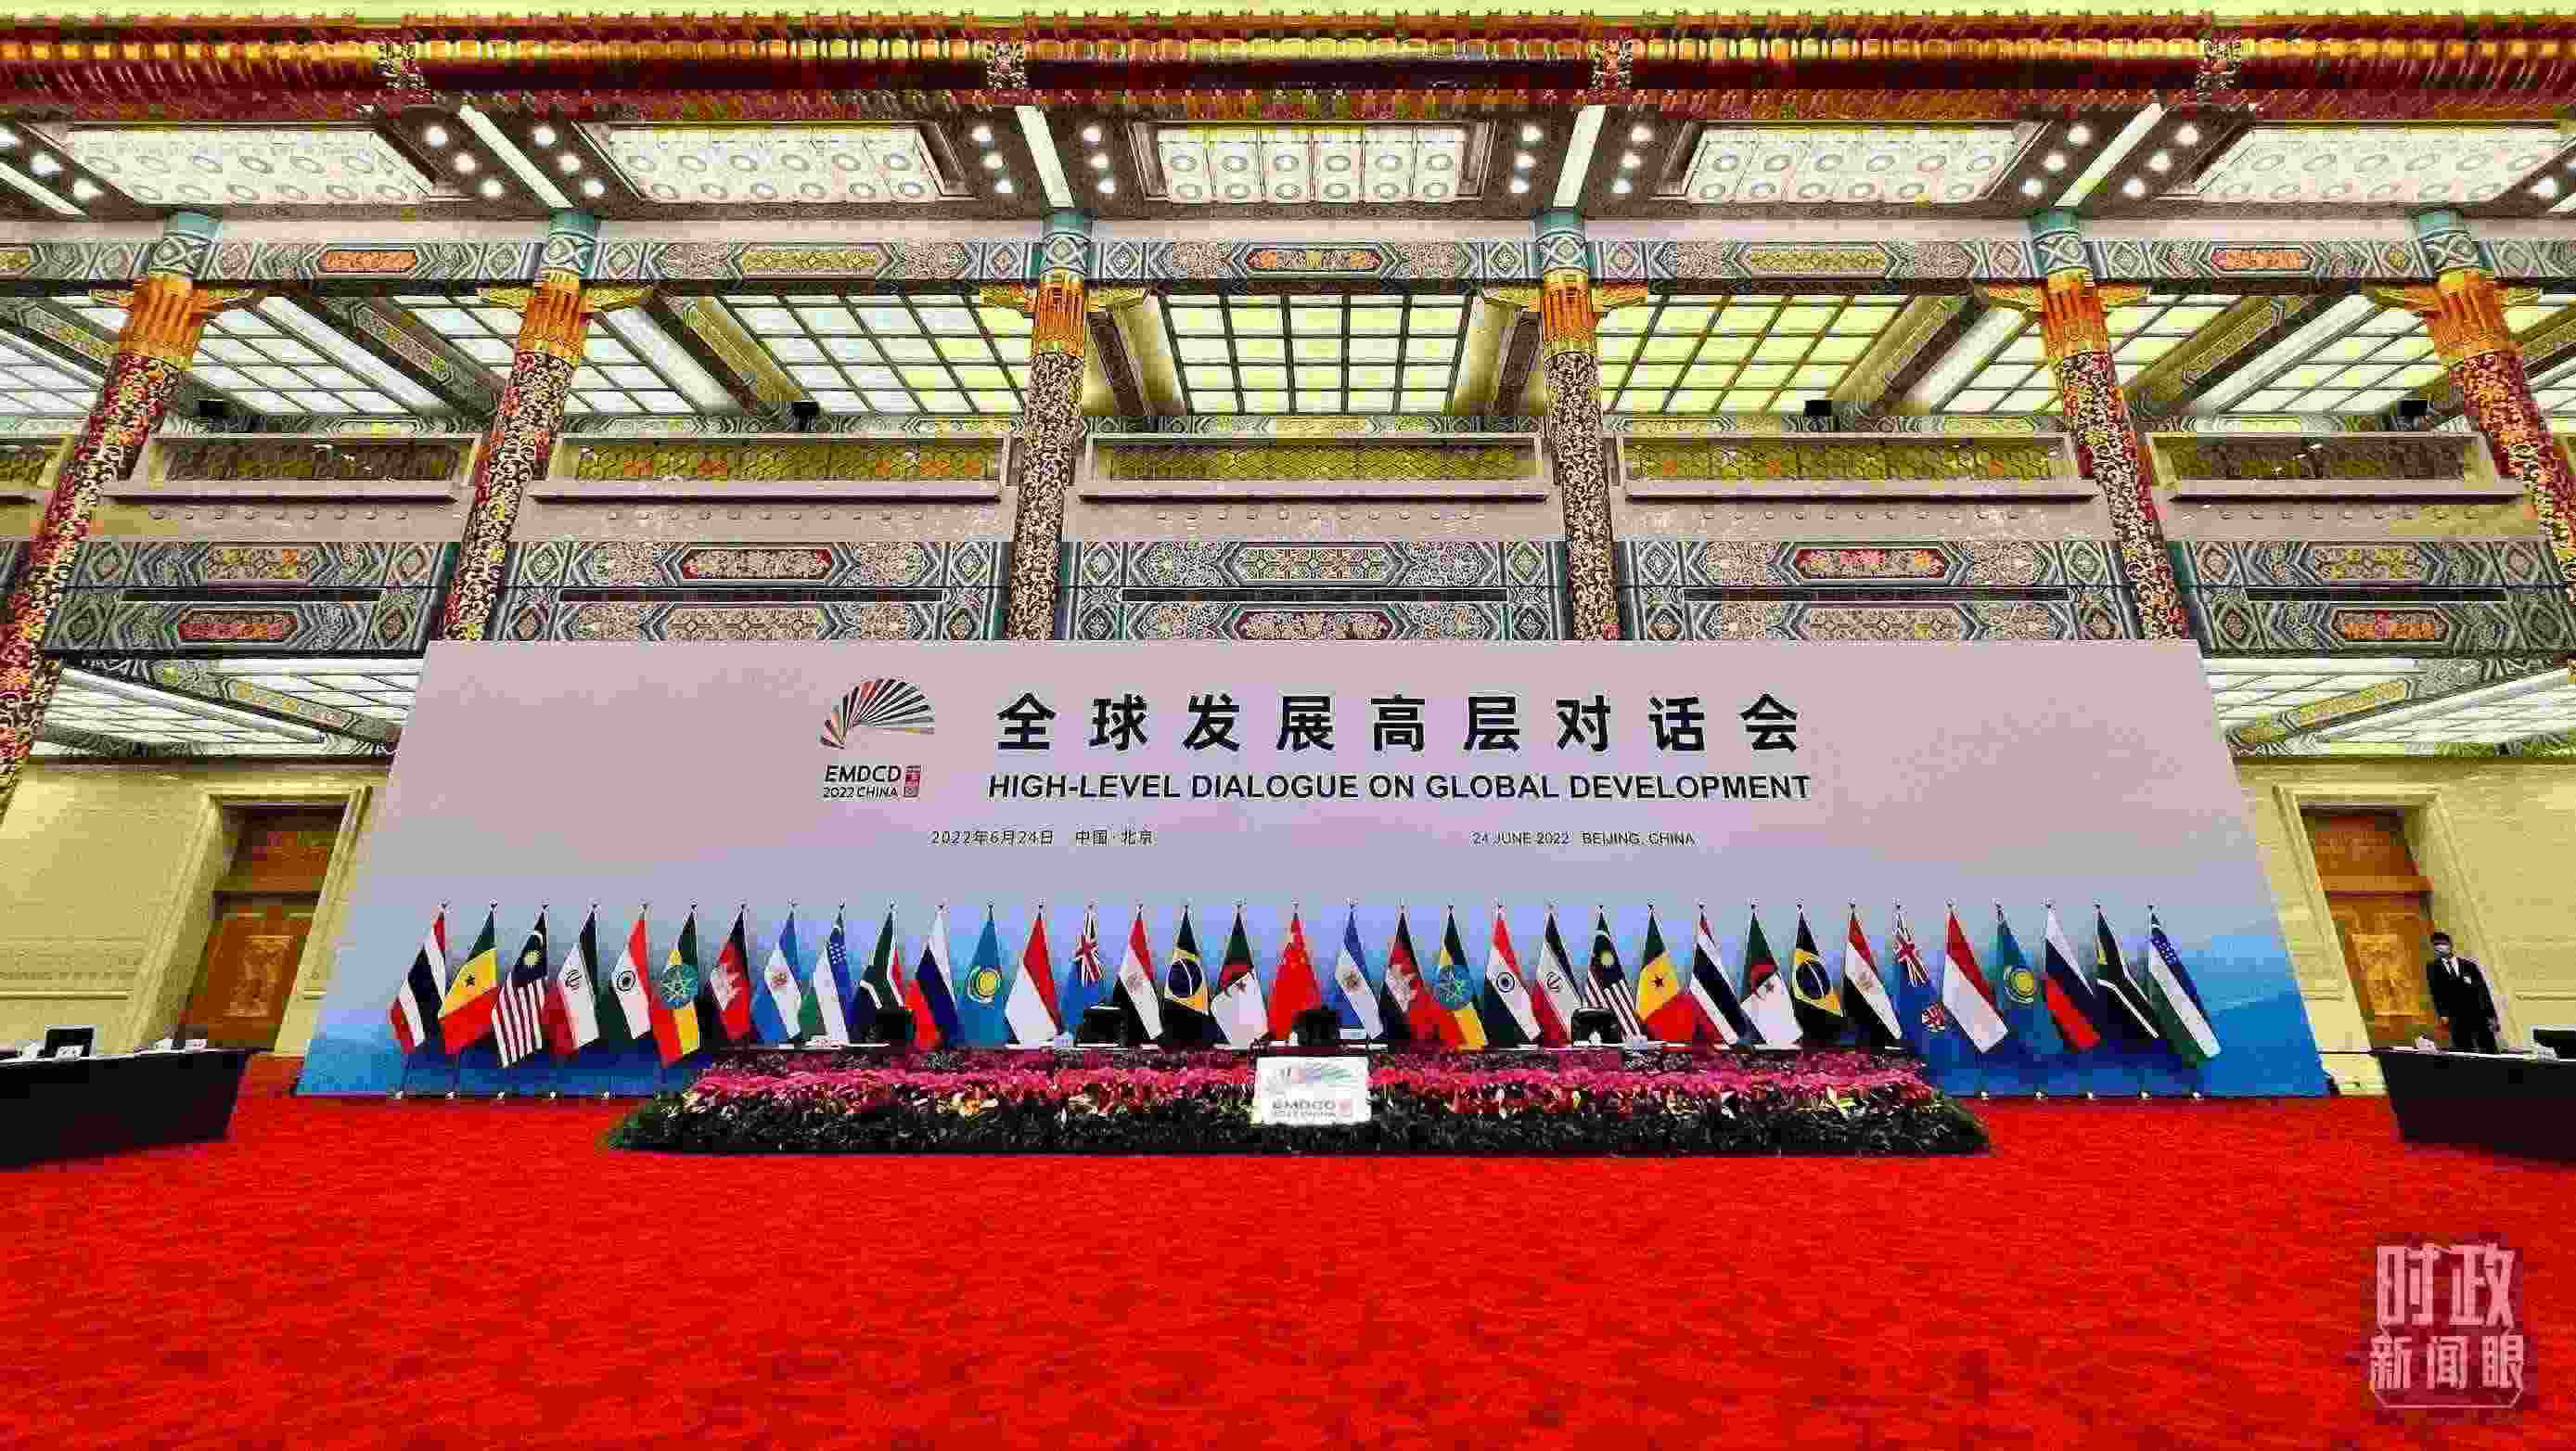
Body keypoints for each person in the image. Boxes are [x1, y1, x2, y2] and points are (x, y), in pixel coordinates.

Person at [2424, 931, 2502, 1054]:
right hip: (2455, 1015)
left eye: (2443, 943)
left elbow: (2483, 991)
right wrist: (2442, 1014)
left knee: (2488, 1048)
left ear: (2450, 945)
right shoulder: (2433, 967)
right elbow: (2436, 992)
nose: (2440, 947)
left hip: (2477, 1013)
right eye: (2436, 944)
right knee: (2464, 1050)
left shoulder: (2469, 965)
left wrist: (2491, 1016)